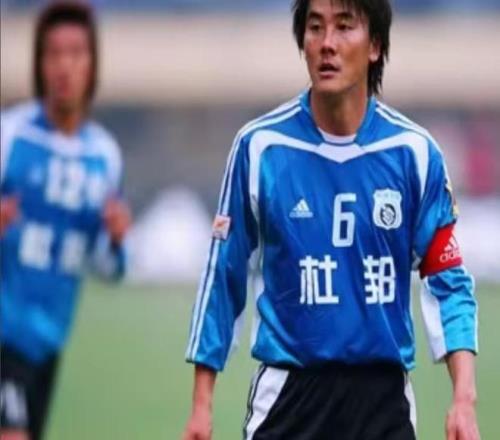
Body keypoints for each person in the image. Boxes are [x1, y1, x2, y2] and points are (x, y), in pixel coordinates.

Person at [183, 0, 479, 439]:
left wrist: (463, 398)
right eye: (315, 27)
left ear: (374, 45)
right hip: (289, 399)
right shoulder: (260, 148)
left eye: (344, 27)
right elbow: (223, 277)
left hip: (383, 403)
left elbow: (448, 281)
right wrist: (201, 405)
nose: (327, 44)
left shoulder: (413, 154)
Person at [0, 2, 131, 439]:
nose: (64, 66)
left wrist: (116, 241)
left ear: (93, 65)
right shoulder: (11, 135)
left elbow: (107, 268)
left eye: (75, 53)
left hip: (49, 343)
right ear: (39, 64)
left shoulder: (104, 156)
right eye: (53, 53)